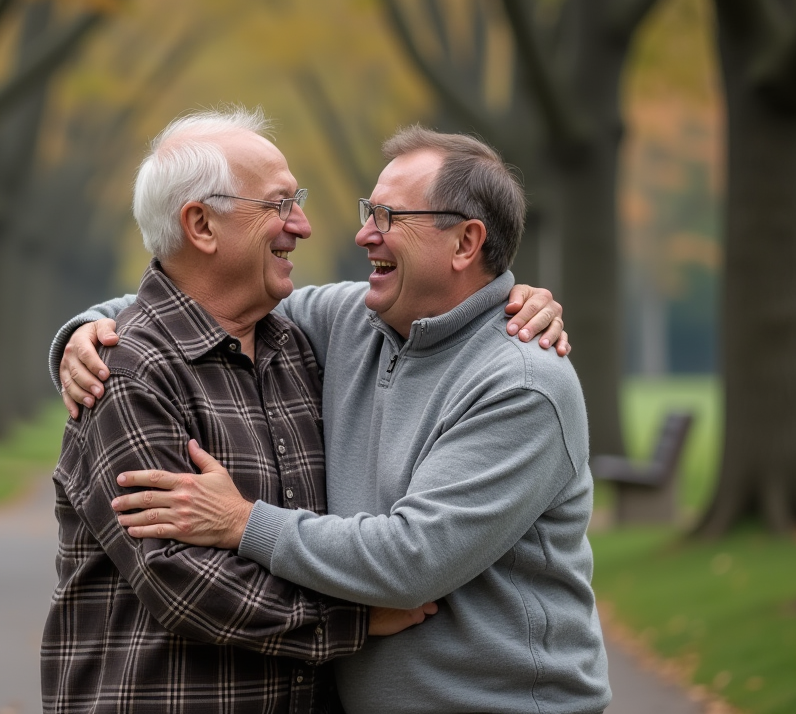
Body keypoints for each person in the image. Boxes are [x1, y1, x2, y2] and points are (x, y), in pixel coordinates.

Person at [57, 126, 610, 713]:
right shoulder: (351, 322)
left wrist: (243, 522)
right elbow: (198, 297)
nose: (363, 233)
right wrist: (85, 332)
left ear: (465, 243)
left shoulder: (522, 383)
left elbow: (414, 559)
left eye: (389, 216)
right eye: (370, 211)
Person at [42, 108, 456, 714]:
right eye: (280, 204)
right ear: (201, 225)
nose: (303, 226)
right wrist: (355, 619)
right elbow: (179, 578)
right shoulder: (127, 371)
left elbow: (442, 299)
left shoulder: (302, 349)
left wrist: (509, 305)